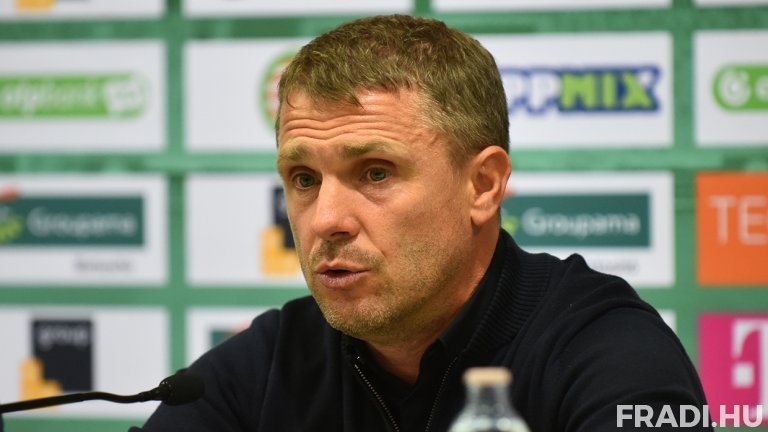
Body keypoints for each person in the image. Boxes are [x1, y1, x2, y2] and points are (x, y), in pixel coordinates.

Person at [133, 15, 711, 431]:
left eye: (375, 172)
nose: (326, 220)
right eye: (304, 178)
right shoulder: (268, 362)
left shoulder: (610, 354)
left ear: (482, 185)